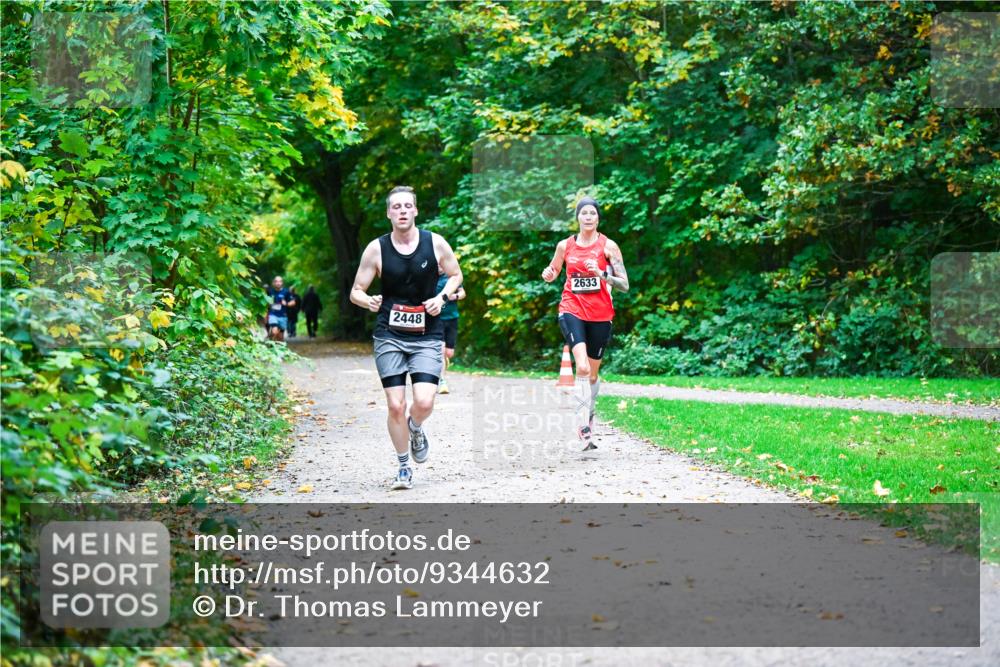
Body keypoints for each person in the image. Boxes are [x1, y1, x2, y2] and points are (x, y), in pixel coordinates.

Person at [350, 186, 463, 490]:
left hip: (428, 334)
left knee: (424, 402)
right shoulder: (376, 249)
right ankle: (403, 467)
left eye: (407, 206)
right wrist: (367, 301)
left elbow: (456, 275)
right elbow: (355, 290)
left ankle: (415, 427)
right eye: (396, 206)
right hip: (390, 334)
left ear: (415, 211)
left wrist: (442, 297)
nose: (402, 211)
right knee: (396, 405)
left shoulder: (435, 243)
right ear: (388, 213)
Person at [541, 196, 629, 451]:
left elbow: (624, 284)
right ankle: (581, 425)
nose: (589, 217)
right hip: (572, 309)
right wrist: (549, 274)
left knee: (591, 373)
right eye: (584, 213)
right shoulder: (564, 245)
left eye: (593, 213)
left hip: (601, 314)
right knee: (580, 367)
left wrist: (601, 274)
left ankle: (588, 414)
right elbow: (554, 270)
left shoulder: (608, 246)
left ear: (598, 218)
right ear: (578, 217)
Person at [435, 263, 466, 394]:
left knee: (449, 353)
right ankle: (442, 381)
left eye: (441, 264)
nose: (439, 267)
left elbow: (463, 293)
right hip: (437, 319)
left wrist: (455, 296)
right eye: (436, 264)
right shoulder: (429, 279)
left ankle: (443, 361)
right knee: (440, 351)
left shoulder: (451, 278)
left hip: (452, 318)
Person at [265, 276, 292, 342]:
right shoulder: (270, 292)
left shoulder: (286, 292)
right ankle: (270, 339)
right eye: (276, 281)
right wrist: (266, 313)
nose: (278, 283)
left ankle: (277, 346)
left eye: (280, 281)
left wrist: (286, 303)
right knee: (274, 331)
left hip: (283, 316)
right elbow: (265, 303)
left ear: (282, 283)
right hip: (273, 314)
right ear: (273, 283)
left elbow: (293, 302)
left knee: (280, 337)